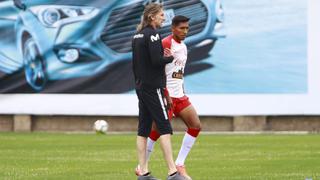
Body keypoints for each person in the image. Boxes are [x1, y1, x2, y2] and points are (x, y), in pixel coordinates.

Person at [136, 15, 201, 180]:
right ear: (173, 28)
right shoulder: (165, 43)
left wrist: (183, 91)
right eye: (182, 28)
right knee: (156, 132)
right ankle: (141, 167)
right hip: (166, 96)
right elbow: (157, 69)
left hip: (180, 96)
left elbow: (179, 73)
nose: (185, 31)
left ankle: (180, 164)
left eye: (187, 28)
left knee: (195, 126)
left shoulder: (184, 47)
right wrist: (165, 93)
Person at [132, 3, 186, 180]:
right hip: (153, 88)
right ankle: (172, 172)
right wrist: (170, 57)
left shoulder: (137, 35)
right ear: (152, 17)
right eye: (161, 15)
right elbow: (156, 61)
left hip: (140, 87)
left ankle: (144, 172)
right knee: (164, 128)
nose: (164, 18)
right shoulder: (153, 34)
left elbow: (138, 64)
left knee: (143, 130)